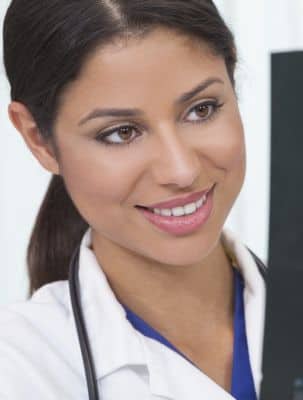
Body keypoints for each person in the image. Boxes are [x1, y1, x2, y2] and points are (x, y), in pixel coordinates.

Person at [0, 1, 266, 399]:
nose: (181, 170)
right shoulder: (21, 370)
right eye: (121, 132)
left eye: (201, 109)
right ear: (38, 139)